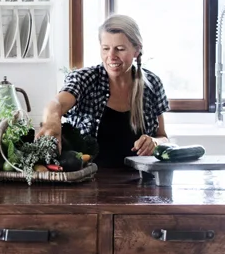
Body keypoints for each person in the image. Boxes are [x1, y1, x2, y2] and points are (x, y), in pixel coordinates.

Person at [39, 14, 169, 168]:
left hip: (141, 182)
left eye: (120, 49)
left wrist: (155, 142)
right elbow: (56, 103)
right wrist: (52, 123)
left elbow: (163, 137)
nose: (111, 56)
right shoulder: (84, 79)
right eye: (106, 48)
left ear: (137, 50)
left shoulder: (152, 84)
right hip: (87, 182)